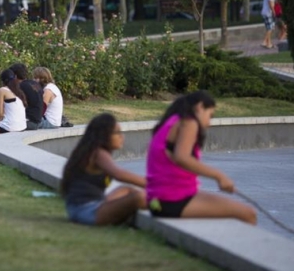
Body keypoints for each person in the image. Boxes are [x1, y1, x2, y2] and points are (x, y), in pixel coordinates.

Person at [146, 91, 257, 224]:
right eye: (210, 115)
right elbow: (182, 157)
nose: (209, 123)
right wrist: (219, 176)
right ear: (200, 107)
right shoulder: (189, 122)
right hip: (171, 200)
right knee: (248, 213)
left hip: (159, 199)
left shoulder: (172, 121)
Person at [61, 113, 146, 226]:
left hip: (82, 207)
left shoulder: (91, 151)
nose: (122, 137)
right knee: (139, 197)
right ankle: (167, 205)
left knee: (126, 190)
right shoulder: (98, 153)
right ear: (104, 135)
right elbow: (119, 174)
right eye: (117, 132)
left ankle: (163, 202)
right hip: (87, 211)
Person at [9, 63, 43, 130]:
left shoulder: (20, 87)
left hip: (29, 122)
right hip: (38, 121)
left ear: (15, 76)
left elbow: (14, 107)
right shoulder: (35, 84)